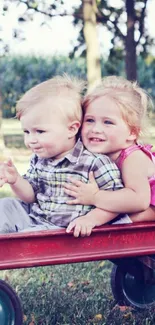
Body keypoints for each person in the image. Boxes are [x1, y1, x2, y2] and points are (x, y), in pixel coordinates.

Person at [0, 75, 124, 237]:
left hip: (61, 228)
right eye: (26, 132)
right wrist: (16, 180)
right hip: (36, 217)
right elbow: (30, 197)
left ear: (71, 129)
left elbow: (116, 202)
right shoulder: (39, 158)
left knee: (25, 236)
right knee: (6, 205)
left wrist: (91, 219)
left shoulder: (94, 162)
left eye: (40, 131)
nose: (31, 140)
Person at [64, 75, 155, 223]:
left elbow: (139, 200)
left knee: (120, 219)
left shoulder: (133, 159)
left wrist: (95, 197)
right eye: (90, 120)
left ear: (132, 132)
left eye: (108, 122)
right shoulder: (94, 155)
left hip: (149, 206)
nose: (96, 129)